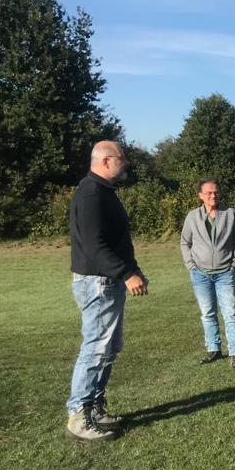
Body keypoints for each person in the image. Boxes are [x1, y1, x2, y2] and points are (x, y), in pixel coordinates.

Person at [65, 140, 148, 443]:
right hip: (97, 282)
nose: (125, 162)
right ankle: (79, 415)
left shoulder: (103, 192)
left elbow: (117, 240)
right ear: (105, 161)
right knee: (96, 347)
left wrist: (133, 268)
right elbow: (94, 245)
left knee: (109, 348)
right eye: (121, 158)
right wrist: (126, 273)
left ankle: (95, 408)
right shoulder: (90, 193)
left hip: (109, 280)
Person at [180, 178, 235, 368]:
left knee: (231, 313)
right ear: (200, 195)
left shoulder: (230, 213)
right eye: (208, 193)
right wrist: (190, 264)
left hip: (225, 272)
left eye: (216, 192)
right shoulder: (192, 216)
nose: (213, 195)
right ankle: (214, 349)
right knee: (207, 313)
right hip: (200, 273)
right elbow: (185, 242)